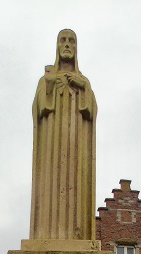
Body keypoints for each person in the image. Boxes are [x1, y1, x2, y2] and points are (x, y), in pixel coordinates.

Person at [30, 29, 97, 241]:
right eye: (63, 40)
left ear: (76, 48)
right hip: (51, 145)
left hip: (77, 147)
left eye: (72, 41)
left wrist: (83, 87)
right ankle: (44, 235)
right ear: (57, 46)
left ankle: (78, 236)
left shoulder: (84, 81)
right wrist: (49, 86)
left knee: (77, 189)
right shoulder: (46, 78)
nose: (67, 44)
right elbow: (39, 109)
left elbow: (91, 112)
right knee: (49, 188)